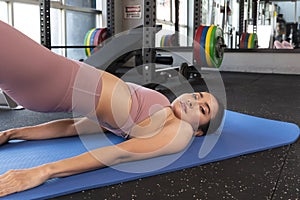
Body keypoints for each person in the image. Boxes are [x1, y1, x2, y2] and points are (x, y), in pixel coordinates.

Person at [0, 20, 224, 197]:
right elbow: (74, 127)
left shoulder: (182, 131)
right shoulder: (158, 111)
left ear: (198, 131)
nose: (194, 102)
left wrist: (42, 171)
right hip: (58, 74)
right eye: (197, 95)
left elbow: (119, 154)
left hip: (55, 80)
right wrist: (12, 134)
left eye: (203, 110)